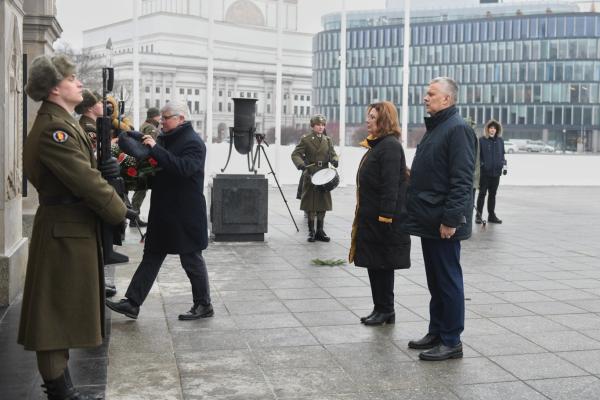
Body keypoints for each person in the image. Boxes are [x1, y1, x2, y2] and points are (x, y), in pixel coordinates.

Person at [18, 54, 129, 399]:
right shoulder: (55, 128)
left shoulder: (62, 122)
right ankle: (59, 391)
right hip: (63, 231)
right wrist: (119, 210)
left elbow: (86, 172)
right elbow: (84, 181)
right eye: (71, 78)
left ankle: (60, 387)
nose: (79, 83)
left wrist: (106, 171)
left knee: (62, 311)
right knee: (53, 315)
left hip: (70, 227)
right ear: (54, 88)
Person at [106, 102, 213, 321]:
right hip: (164, 210)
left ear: (181, 118)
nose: (161, 121)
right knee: (152, 256)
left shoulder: (194, 143)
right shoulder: (165, 138)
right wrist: (134, 163)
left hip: (185, 212)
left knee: (191, 258)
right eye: (162, 118)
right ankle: (132, 303)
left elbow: (183, 168)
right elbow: (156, 167)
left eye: (166, 117)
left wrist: (155, 148)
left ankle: (204, 304)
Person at [401, 77, 476, 361]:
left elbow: (462, 180)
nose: (425, 97)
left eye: (431, 94)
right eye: (426, 93)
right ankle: (437, 331)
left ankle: (451, 339)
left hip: (444, 222)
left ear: (447, 99)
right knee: (436, 281)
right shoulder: (438, 128)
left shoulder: (457, 129)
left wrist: (452, 219)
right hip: (429, 218)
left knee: (448, 280)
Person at [349, 101, 411, 326]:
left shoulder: (390, 146)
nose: (368, 121)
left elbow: (391, 185)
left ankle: (386, 309)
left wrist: (385, 217)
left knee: (383, 265)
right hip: (372, 218)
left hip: (383, 221)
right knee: (375, 264)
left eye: (373, 117)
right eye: (368, 116)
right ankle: (381, 308)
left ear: (384, 121)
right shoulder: (379, 145)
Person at [291, 114, 339, 242]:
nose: (321, 127)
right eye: (318, 125)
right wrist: (301, 164)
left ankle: (320, 231)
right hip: (311, 173)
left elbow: (333, 154)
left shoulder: (327, 140)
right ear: (312, 126)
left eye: (323, 125)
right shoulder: (306, 139)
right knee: (311, 204)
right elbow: (296, 154)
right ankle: (311, 231)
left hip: (324, 174)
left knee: (323, 203)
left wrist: (334, 160)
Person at [128, 107, 161, 227]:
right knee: (141, 189)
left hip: (142, 161)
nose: (160, 118)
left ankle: (134, 216)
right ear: (154, 116)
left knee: (140, 189)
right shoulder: (151, 128)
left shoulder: (144, 125)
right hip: (147, 162)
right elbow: (152, 145)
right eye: (158, 116)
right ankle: (134, 217)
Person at [476, 120, 506, 224]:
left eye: (494, 128)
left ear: (497, 130)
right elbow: (478, 156)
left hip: (496, 173)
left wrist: (503, 165)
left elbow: (502, 155)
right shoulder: (482, 140)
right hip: (485, 173)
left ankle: (491, 215)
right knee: (482, 194)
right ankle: (478, 215)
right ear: (487, 129)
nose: (492, 130)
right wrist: (483, 165)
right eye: (491, 128)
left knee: (493, 194)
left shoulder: (500, 141)